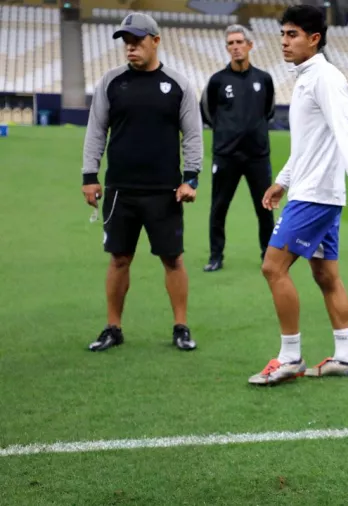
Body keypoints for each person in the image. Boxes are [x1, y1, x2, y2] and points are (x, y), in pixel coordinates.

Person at [248, 5, 348, 385]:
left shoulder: (325, 78)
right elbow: (308, 145)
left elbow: (344, 133)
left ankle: (289, 358)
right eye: (283, 35)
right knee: (325, 274)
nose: (284, 43)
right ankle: (345, 356)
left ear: (314, 38)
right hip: (309, 190)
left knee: (273, 267)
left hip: (317, 196)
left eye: (292, 35)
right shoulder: (306, 77)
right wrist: (282, 180)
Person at [81, 12, 203, 352]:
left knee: (173, 259)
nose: (130, 47)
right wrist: (90, 175)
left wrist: (190, 178)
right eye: (126, 41)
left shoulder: (178, 84)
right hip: (120, 189)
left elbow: (192, 135)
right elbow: (96, 132)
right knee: (119, 258)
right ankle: (113, 328)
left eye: (137, 40)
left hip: (165, 191)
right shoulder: (111, 82)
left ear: (156, 41)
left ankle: (181, 326)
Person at [200, 24, 276, 272]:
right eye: (230, 43)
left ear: (249, 45)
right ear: (227, 48)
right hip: (226, 156)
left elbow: (268, 111)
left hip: (257, 156)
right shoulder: (217, 81)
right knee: (219, 207)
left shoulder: (263, 79)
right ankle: (215, 256)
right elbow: (208, 113)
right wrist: (227, 134)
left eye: (239, 42)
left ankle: (268, 254)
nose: (235, 47)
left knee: (264, 208)